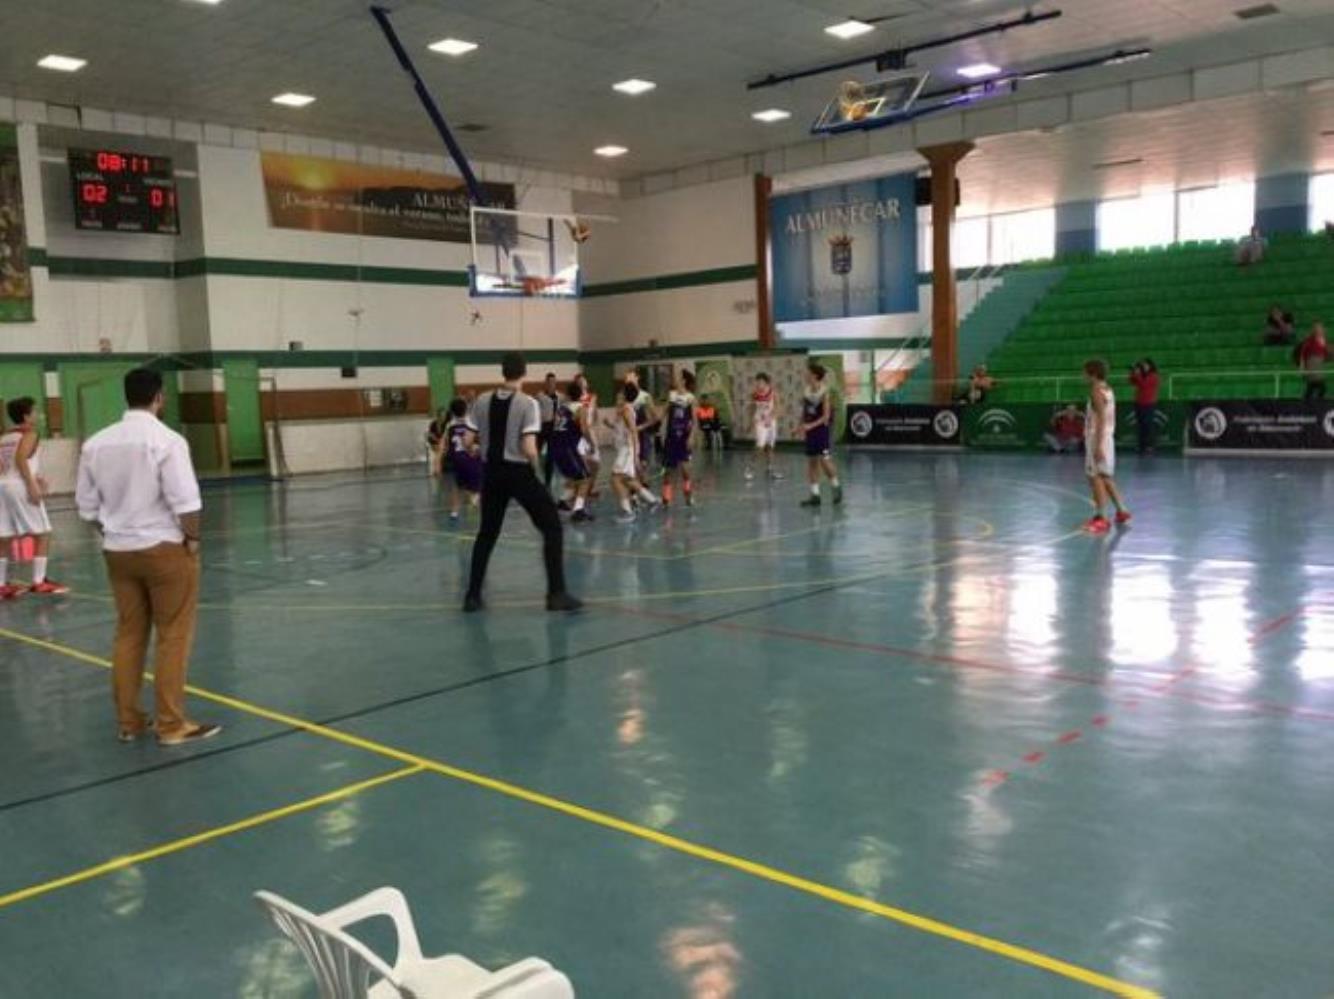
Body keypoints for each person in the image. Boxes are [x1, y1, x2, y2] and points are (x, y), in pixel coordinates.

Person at [75, 368, 220, 745]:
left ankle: (129, 722)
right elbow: (186, 501)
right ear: (159, 397)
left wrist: (116, 534)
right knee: (173, 636)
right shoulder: (167, 441)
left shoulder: (95, 444)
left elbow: (87, 508)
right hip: (164, 550)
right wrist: (192, 540)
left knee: (129, 634)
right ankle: (172, 725)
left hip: (117, 551)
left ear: (127, 396)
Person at [463, 352, 581, 614]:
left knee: (486, 534)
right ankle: (556, 593)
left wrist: (481, 450)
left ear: (502, 371)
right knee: (552, 527)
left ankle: (472, 596)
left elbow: (467, 442)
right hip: (518, 473)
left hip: (491, 474)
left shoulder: (481, 400)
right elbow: (529, 447)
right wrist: (537, 469)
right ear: (524, 372)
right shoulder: (528, 404)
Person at [0, 397, 68, 599]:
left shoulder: (4, 437)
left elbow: (6, 464)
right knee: (43, 533)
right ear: (26, 415)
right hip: (19, 486)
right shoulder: (30, 434)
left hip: (2, 485)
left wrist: (35, 475)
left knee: (3, 537)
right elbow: (21, 458)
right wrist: (31, 484)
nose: (38, 415)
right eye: (34, 411)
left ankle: (1, 585)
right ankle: (39, 582)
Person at [1081, 359, 1131, 534]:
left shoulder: (1096, 390)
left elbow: (1101, 419)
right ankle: (1122, 510)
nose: (1083, 375)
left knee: (1095, 478)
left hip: (1097, 437)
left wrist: (1098, 445)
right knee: (1105, 476)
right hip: (1106, 436)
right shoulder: (1108, 389)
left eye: (1085, 372)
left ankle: (1101, 518)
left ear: (1093, 373)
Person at [611, 382, 660, 521]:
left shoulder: (627, 410)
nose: (618, 393)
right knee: (628, 480)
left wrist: (635, 456)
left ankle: (628, 512)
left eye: (621, 391)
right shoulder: (623, 409)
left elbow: (633, 432)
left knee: (615, 479)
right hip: (625, 449)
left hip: (628, 450)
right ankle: (652, 500)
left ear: (625, 394)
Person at [800, 363, 842, 508]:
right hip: (810, 429)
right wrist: (800, 425)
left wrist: (810, 426)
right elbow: (805, 411)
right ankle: (815, 495)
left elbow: (826, 417)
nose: (805, 375)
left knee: (824, 461)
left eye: (807, 372)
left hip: (821, 430)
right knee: (812, 462)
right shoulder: (806, 391)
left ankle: (836, 487)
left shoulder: (825, 392)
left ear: (815, 375)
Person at [552, 380, 595, 522]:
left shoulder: (561, 408)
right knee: (585, 478)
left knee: (574, 477)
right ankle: (578, 510)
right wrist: (591, 443)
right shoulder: (580, 408)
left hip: (556, 447)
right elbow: (584, 429)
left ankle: (563, 502)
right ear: (581, 394)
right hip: (567, 448)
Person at [443, 398, 481, 521]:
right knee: (479, 484)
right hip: (470, 457)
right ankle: (475, 501)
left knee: (458, 486)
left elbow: (446, 444)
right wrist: (475, 448)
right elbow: (472, 440)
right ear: (466, 409)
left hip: (456, 458)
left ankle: (454, 512)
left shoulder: (450, 425)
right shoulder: (471, 423)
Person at [745, 372, 781, 482]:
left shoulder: (773, 393)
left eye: (760, 382)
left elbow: (778, 408)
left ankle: (770, 469)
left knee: (770, 446)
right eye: (757, 382)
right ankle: (750, 468)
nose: (758, 384)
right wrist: (750, 423)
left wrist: (771, 418)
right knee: (760, 445)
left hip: (771, 422)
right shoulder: (754, 394)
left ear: (766, 383)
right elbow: (751, 409)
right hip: (759, 422)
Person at [1129, 358, 1160, 454]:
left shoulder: (1154, 376)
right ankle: (1141, 446)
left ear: (1151, 366)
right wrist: (1133, 372)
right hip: (1139, 403)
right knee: (1140, 425)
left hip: (1149, 403)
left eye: (1146, 365)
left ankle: (1150, 446)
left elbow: (1144, 384)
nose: (1144, 367)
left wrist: (1137, 375)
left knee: (1148, 425)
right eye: (1143, 366)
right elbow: (1131, 381)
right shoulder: (1142, 376)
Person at [1295, 321, 1329, 400]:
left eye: (1320, 328)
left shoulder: (1323, 340)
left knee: (1313, 385)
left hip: (1319, 363)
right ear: (1314, 330)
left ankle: (1306, 402)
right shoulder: (1310, 340)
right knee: (1320, 385)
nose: (1320, 329)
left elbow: (1325, 353)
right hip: (1312, 362)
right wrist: (1302, 366)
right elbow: (1303, 353)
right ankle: (1316, 403)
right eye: (1317, 328)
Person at [538, 372, 560, 489]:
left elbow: (562, 411)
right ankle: (534, 478)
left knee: (551, 456)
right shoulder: (540, 396)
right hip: (542, 427)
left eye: (554, 382)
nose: (552, 384)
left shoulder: (559, 396)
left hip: (553, 428)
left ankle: (548, 481)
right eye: (549, 382)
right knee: (535, 455)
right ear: (546, 383)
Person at [425, 407, 449, 475]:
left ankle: (437, 469)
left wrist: (442, 443)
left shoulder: (447, 424)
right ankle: (437, 469)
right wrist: (436, 441)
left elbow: (447, 436)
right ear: (438, 416)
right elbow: (430, 435)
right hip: (435, 443)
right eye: (441, 415)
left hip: (443, 444)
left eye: (444, 415)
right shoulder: (433, 424)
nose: (443, 417)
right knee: (437, 450)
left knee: (440, 449)